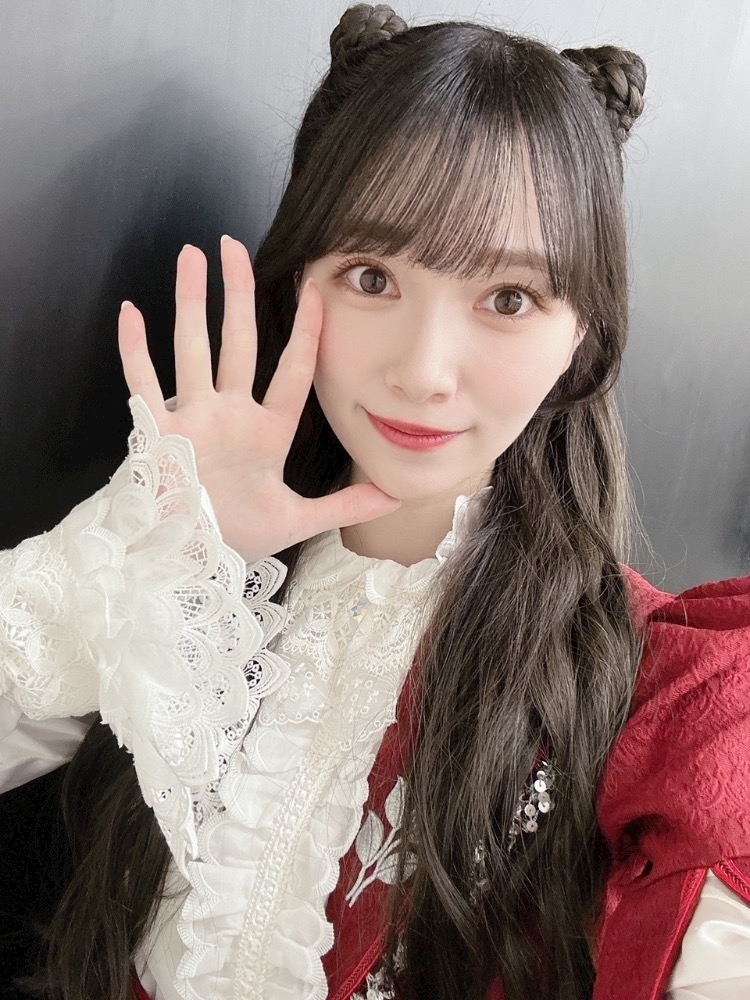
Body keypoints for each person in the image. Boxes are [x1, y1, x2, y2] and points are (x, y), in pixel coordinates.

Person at [1, 5, 749, 999]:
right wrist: (154, 555)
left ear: (583, 332)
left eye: (510, 298)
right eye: (371, 276)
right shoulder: (193, 576)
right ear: (298, 283)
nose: (425, 371)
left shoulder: (667, 693)